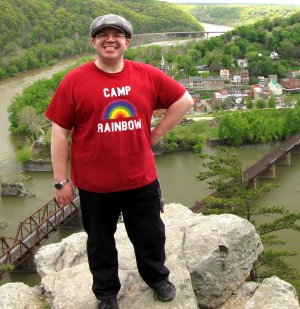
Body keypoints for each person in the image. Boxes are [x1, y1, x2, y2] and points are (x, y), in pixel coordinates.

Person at [45, 13, 194, 309]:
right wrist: (61, 180)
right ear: (93, 42)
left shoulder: (146, 75)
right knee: (100, 243)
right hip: (95, 186)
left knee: (150, 235)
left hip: (141, 179)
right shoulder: (75, 80)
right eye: (103, 34)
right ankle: (106, 294)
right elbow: (59, 131)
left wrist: (154, 134)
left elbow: (185, 101)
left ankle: (157, 279)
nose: (110, 39)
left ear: (127, 42)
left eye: (117, 35)